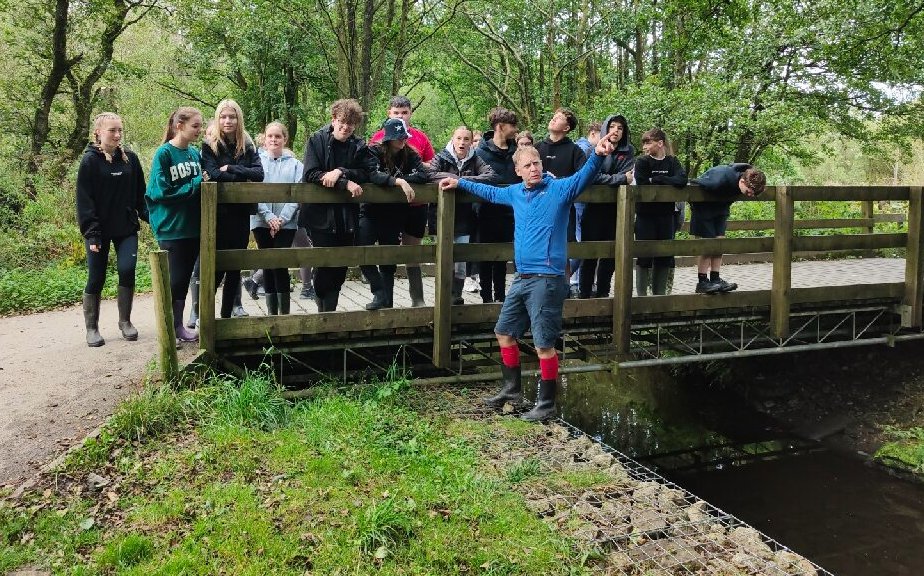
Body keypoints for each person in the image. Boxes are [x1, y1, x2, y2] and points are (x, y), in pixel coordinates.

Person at [439, 125, 619, 421]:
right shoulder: (515, 193)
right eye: (527, 165)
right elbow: (488, 190)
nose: (534, 169)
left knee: (544, 345)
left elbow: (584, 176)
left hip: (547, 280)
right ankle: (511, 391)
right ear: (518, 171)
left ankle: (546, 405)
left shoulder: (560, 190)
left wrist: (598, 155)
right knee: (504, 332)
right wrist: (458, 181)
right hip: (522, 278)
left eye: (537, 163)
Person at [76, 112, 147, 347]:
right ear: (98, 133)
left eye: (120, 130)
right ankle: (91, 328)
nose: (117, 135)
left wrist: (153, 219)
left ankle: (125, 322)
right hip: (98, 231)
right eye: (112, 130)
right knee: (97, 277)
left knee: (127, 270)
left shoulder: (131, 160)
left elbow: (141, 196)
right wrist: (92, 233)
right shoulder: (89, 161)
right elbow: (84, 202)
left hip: (126, 228)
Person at [300, 98, 377, 312]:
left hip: (347, 215)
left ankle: (329, 314)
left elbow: (366, 172)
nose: (345, 128)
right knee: (325, 263)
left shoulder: (358, 145)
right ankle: (323, 312)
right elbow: (311, 174)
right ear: (333, 119)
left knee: (341, 265)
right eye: (341, 122)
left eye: (350, 125)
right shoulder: (316, 140)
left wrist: (340, 172)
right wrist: (345, 183)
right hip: (320, 215)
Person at [145, 107, 204, 343]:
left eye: (200, 126)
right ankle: (168, 331)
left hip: (193, 227)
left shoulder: (195, 154)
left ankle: (178, 328)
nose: (199, 131)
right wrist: (196, 183)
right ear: (179, 125)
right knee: (174, 280)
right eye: (195, 126)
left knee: (183, 280)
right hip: (172, 228)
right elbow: (160, 192)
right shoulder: (164, 154)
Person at [201, 99, 264, 318]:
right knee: (216, 267)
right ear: (218, 119)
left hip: (240, 213)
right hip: (217, 214)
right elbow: (215, 175)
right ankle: (204, 317)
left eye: (232, 117)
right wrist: (241, 173)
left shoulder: (247, 145)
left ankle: (226, 316)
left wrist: (231, 168)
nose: (228, 121)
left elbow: (259, 174)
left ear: (239, 119)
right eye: (223, 117)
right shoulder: (209, 145)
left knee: (235, 267)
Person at [369, 96, 435, 307]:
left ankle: (418, 299)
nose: (401, 116)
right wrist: (396, 182)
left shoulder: (420, 138)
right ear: (389, 113)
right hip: (388, 206)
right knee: (387, 249)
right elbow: (374, 170)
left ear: (410, 113)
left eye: (404, 112)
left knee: (412, 250)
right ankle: (384, 298)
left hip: (415, 204)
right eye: (396, 113)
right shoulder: (378, 138)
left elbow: (428, 168)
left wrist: (403, 180)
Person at [429, 126, 497, 304]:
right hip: (442, 215)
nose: (462, 142)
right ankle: (442, 296)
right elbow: (430, 174)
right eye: (459, 138)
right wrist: (456, 178)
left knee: (460, 261)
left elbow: (490, 176)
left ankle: (456, 296)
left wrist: (459, 181)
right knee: (444, 259)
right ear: (452, 139)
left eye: (466, 139)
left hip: (465, 218)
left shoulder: (475, 158)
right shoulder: (442, 156)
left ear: (471, 141)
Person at [579, 114, 635, 299]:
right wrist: (619, 178)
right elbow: (592, 177)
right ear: (605, 128)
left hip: (616, 211)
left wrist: (614, 178)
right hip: (593, 210)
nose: (616, 131)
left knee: (610, 255)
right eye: (612, 127)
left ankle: (603, 292)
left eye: (620, 128)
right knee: (589, 255)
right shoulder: (592, 151)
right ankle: (584, 294)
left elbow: (629, 176)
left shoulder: (628, 152)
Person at [690, 163, 766, 293]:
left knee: (720, 243)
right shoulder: (720, 179)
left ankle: (715, 278)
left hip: (721, 208)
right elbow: (694, 184)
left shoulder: (747, 177)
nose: (750, 195)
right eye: (748, 192)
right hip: (704, 209)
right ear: (742, 182)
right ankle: (702, 282)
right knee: (709, 245)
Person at [628, 128, 687, 295]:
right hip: (645, 216)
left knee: (664, 255)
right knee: (644, 254)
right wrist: (667, 182)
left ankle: (659, 296)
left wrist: (657, 179)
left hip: (667, 215)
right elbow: (642, 182)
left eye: (648, 142)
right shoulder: (642, 162)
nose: (644, 146)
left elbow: (681, 180)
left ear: (660, 143)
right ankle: (641, 296)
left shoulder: (672, 162)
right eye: (643, 143)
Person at [252, 121, 302, 315]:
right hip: (260, 220)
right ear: (264, 138)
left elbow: (298, 193)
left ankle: (284, 315)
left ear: (285, 139)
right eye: (270, 136)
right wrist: (268, 217)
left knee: (280, 264)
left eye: (278, 136)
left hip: (287, 223)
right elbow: (253, 190)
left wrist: (281, 219)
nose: (273, 139)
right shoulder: (256, 162)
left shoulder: (296, 165)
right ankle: (271, 315)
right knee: (267, 264)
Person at [536, 108, 586, 297]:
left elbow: (583, 176)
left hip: (564, 209)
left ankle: (564, 288)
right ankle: (540, 290)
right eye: (553, 117)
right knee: (541, 247)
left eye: (558, 119)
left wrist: (561, 182)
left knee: (564, 249)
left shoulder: (575, 150)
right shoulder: (538, 148)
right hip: (539, 208)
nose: (553, 120)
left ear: (566, 127)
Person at [475, 107, 519, 303]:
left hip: (510, 213)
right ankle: (486, 299)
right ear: (500, 127)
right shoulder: (480, 152)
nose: (516, 129)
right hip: (485, 213)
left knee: (502, 258)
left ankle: (501, 298)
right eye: (512, 125)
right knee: (485, 257)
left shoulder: (516, 151)